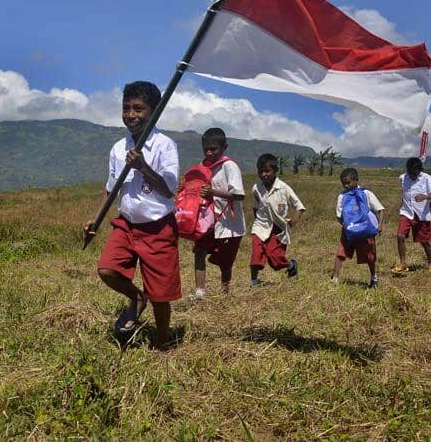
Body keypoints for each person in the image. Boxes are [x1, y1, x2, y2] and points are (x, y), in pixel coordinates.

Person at [84, 81, 180, 349]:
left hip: (158, 227)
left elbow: (170, 189)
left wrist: (143, 167)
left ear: (154, 110)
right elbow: (111, 188)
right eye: (126, 108)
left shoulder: (165, 145)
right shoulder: (117, 149)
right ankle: (136, 298)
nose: (131, 114)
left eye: (138, 108)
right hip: (126, 224)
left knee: (161, 295)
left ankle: (162, 341)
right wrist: (96, 218)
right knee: (107, 270)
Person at [190, 128, 245, 297]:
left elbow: (238, 194)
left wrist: (213, 192)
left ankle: (225, 292)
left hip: (229, 224)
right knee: (199, 251)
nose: (208, 152)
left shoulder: (229, 166)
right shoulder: (203, 165)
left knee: (225, 263)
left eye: (213, 149)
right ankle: (200, 291)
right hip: (209, 221)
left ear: (224, 147)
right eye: (205, 148)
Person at [249, 153, 304, 286]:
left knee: (275, 261)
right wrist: (258, 222)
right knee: (256, 256)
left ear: (275, 171)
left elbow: (299, 207)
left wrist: (293, 222)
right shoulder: (257, 188)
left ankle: (291, 265)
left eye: (267, 171)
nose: (264, 175)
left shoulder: (284, 188)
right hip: (260, 227)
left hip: (278, 229)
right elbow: (255, 207)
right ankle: (254, 281)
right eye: (260, 171)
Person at [331, 168, 385, 288]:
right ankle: (335, 278)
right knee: (341, 252)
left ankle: (373, 278)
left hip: (365, 230)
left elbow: (380, 209)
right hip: (349, 230)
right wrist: (346, 226)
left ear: (356, 180)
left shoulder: (366, 193)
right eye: (343, 183)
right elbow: (339, 216)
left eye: (348, 182)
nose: (346, 185)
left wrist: (380, 225)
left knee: (370, 255)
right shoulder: (342, 196)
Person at [392, 157, 431, 273]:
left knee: (424, 241)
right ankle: (403, 263)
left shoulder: (426, 178)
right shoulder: (402, 178)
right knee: (400, 236)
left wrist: (424, 196)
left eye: (415, 173)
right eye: (410, 172)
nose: (412, 175)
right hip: (406, 212)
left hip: (421, 214)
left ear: (419, 170)